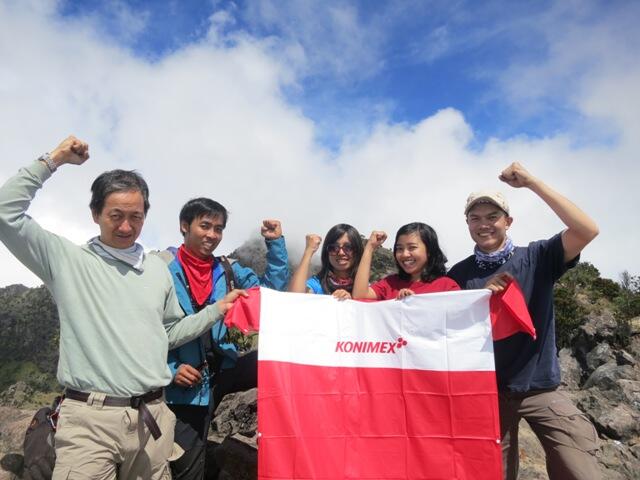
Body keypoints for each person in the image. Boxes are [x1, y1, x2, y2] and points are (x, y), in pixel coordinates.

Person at [0, 136, 246, 479]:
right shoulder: (67, 261)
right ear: (95, 214)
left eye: (136, 216)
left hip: (152, 420)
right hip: (89, 423)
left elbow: (170, 332)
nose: (127, 227)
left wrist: (217, 309)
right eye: (115, 215)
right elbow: (5, 211)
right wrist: (53, 160)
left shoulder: (157, 269)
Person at [447, 162, 600, 480]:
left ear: (508, 221)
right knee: (490, 473)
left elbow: (587, 230)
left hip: (540, 387)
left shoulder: (538, 257)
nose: (483, 224)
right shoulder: (459, 275)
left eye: (492, 217)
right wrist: (477, 301)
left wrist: (532, 182)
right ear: (467, 224)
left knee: (580, 469)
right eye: (475, 218)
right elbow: (444, 328)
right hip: (487, 395)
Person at [161, 197, 289, 480]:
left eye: (218, 229)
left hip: (222, 368)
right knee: (185, 466)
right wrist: (169, 370)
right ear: (185, 226)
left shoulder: (227, 269)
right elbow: (143, 328)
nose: (212, 235)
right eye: (205, 226)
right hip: (183, 382)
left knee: (276, 362)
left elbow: (270, 293)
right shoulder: (162, 268)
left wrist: (276, 245)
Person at [353, 222, 459, 300]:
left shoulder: (447, 286)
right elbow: (359, 295)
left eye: (412, 247)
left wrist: (416, 303)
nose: (404, 254)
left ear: (429, 251)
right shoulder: (390, 284)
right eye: (399, 248)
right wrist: (370, 247)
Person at [289, 224, 364, 299]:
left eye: (348, 247)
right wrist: (309, 251)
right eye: (334, 248)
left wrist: (352, 301)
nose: (341, 253)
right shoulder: (317, 285)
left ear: (357, 251)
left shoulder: (365, 289)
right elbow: (294, 298)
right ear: (327, 253)